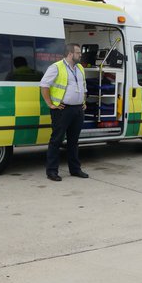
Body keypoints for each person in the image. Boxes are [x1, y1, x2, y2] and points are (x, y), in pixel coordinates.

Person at [40, 43, 89, 182]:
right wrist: (50, 104)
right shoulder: (56, 67)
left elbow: (83, 86)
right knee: (56, 140)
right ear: (70, 54)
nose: (80, 55)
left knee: (74, 142)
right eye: (78, 52)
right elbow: (44, 85)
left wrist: (83, 102)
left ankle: (75, 169)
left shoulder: (80, 68)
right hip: (62, 110)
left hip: (78, 109)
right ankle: (52, 171)